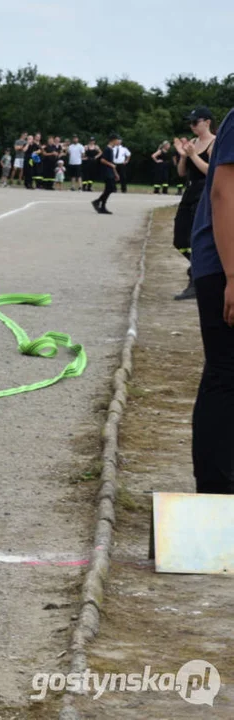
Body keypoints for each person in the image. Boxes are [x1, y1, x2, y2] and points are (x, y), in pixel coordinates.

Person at [187, 107, 234, 494]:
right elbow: (222, 192)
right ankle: (216, 490)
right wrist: (232, 275)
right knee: (226, 370)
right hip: (224, 262)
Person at [172, 107, 216, 300]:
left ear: (207, 122)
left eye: (195, 122)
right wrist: (183, 155)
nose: (192, 126)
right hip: (189, 191)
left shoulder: (214, 143)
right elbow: (181, 173)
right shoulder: (192, 143)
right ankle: (206, 267)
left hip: (204, 193)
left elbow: (211, 171)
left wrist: (193, 155)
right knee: (180, 239)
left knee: (195, 238)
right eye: (190, 123)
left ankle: (195, 282)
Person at [91, 133, 121, 215]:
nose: (118, 141)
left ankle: (101, 205)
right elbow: (102, 160)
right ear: (113, 140)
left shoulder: (111, 149)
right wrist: (111, 165)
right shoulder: (107, 149)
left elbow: (112, 164)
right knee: (110, 188)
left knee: (110, 189)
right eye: (117, 140)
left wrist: (116, 173)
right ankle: (98, 203)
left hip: (110, 171)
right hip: (107, 172)